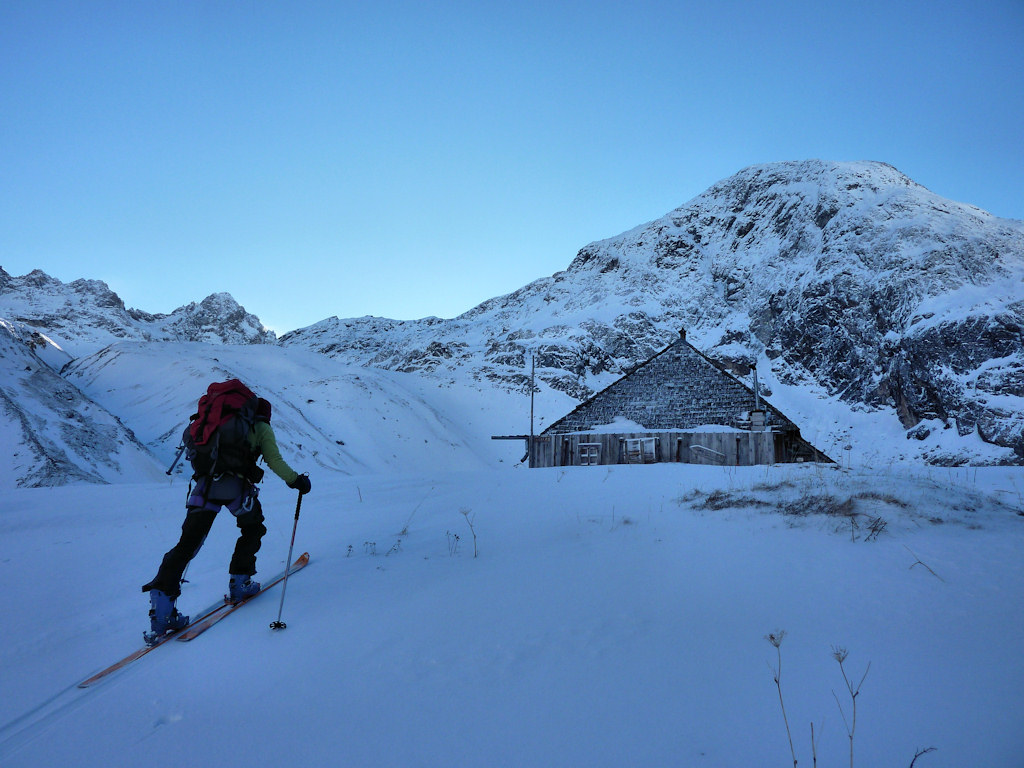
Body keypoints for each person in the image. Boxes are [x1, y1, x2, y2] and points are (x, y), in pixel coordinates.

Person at [141, 396, 311, 642]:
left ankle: (162, 612)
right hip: (237, 491)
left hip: (204, 488)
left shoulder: (213, 421)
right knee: (252, 528)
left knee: (187, 544)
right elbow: (275, 461)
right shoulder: (260, 427)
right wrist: (297, 481)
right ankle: (240, 582)